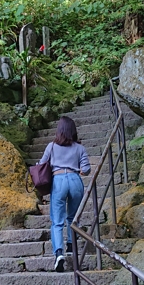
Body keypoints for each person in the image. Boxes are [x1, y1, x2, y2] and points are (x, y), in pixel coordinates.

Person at [38, 116, 91, 272]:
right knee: (73, 218)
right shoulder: (80, 148)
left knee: (57, 221)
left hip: (58, 181)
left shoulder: (51, 146)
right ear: (73, 131)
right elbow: (86, 169)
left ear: (59, 130)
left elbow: (41, 164)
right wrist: (79, 169)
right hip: (75, 181)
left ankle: (59, 253)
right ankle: (71, 245)